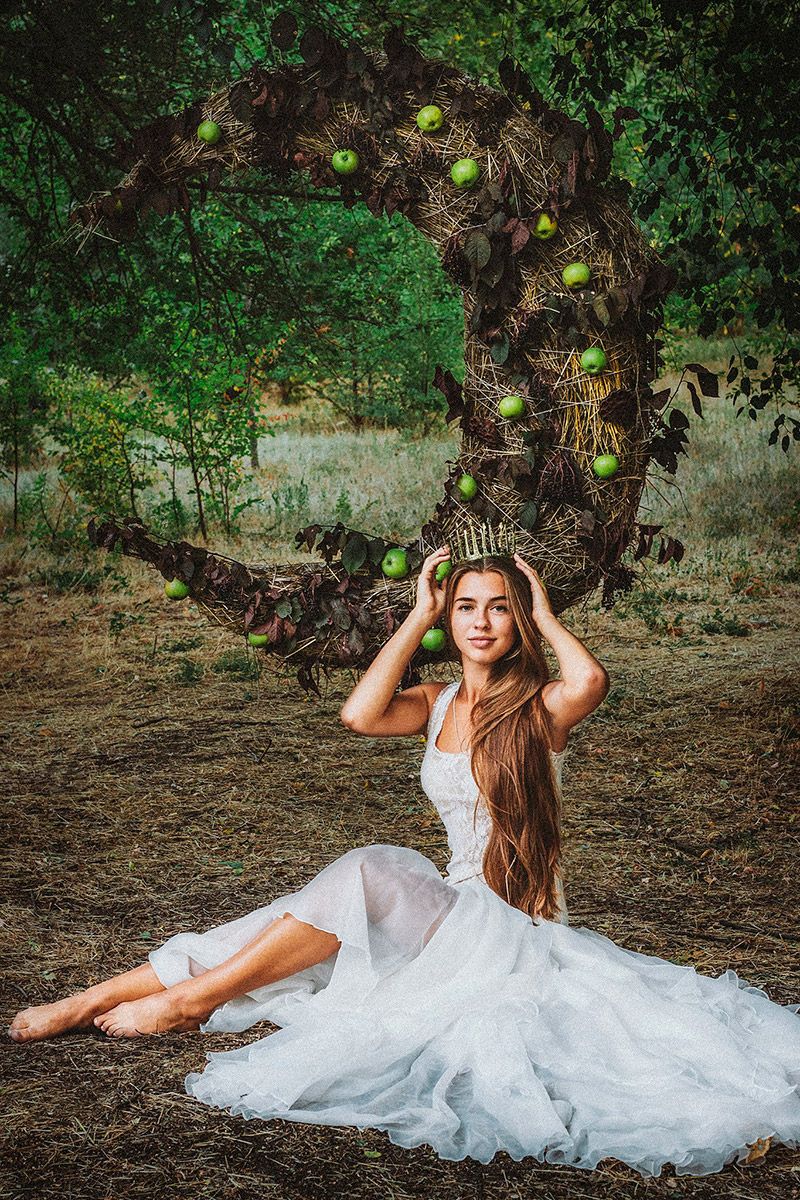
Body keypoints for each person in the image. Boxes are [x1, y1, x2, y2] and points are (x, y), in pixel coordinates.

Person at [8, 548, 800, 1178]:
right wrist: (416, 611)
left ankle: (190, 1000)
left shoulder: (541, 707)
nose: (482, 621)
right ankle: (95, 998)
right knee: (296, 921)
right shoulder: (436, 702)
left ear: (519, 619)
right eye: (466, 607)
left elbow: (589, 678)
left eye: (499, 607)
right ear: (448, 620)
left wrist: (546, 611)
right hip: (449, 911)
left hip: (510, 928)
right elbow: (358, 714)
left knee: (367, 872)